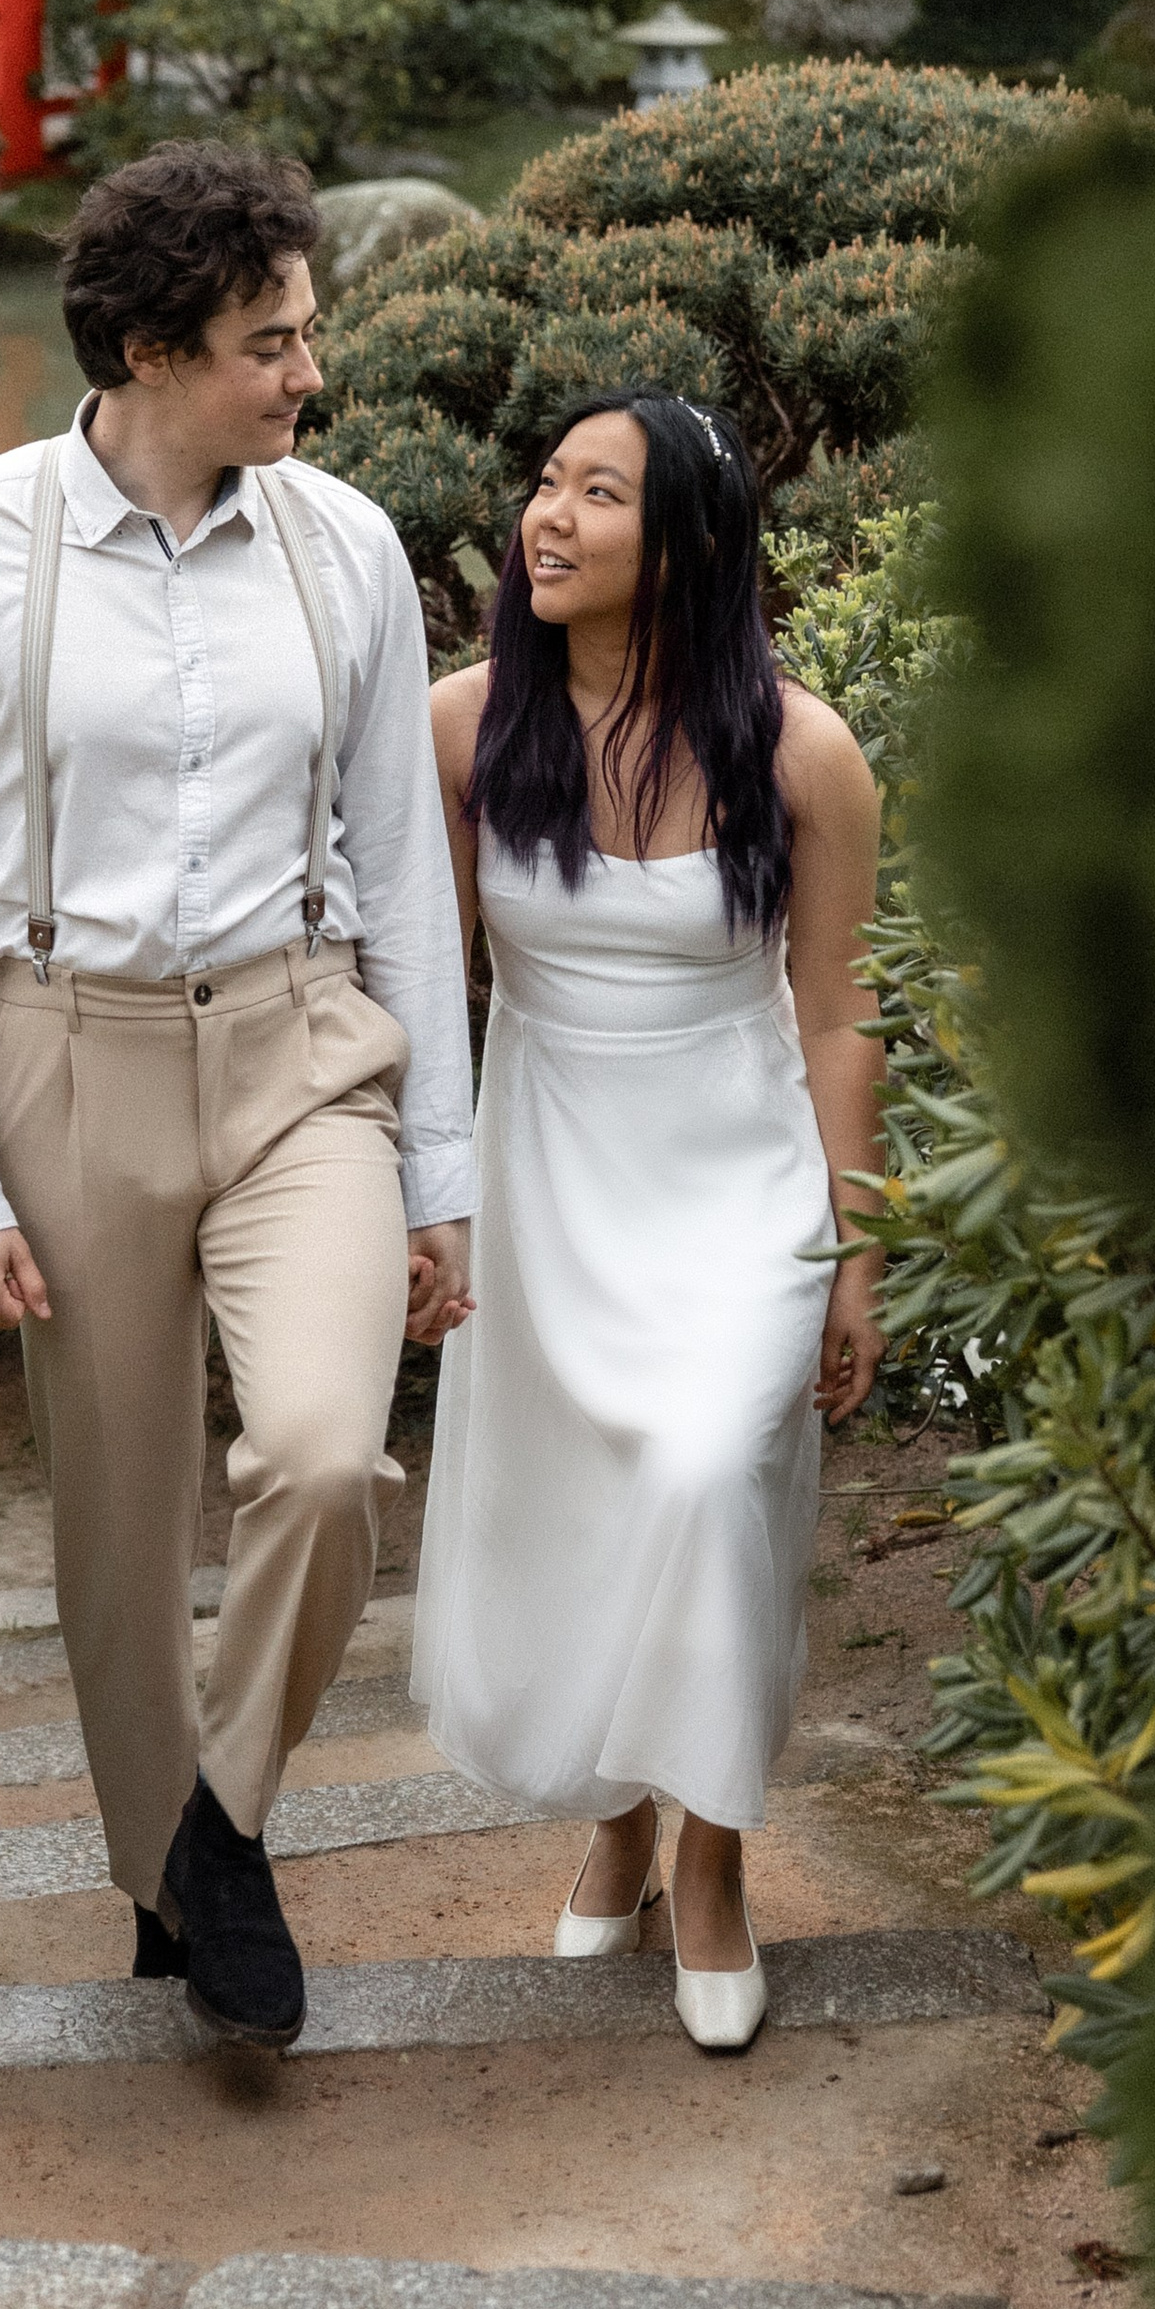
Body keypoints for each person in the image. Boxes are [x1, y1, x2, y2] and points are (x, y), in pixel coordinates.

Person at [0, 139, 475, 2052]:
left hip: (306, 1052)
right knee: (118, 1533)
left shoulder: (348, 544)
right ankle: (166, 1888)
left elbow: (398, 877)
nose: (309, 374)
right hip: (70, 1048)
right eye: (268, 343)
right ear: (144, 349)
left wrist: (440, 1167)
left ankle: (223, 1824)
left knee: (315, 1455)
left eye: (308, 332)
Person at [412, 387, 884, 2055]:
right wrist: (423, 1202)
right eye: (543, 483)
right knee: (590, 1506)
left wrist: (856, 1254)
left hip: (739, 1179)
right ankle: (617, 1811)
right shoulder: (462, 729)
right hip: (549, 1165)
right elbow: (413, 982)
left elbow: (838, 1017)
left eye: (594, 494)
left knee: (702, 1476)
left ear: (682, 540)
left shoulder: (805, 751)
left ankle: (715, 1862)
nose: (546, 517)